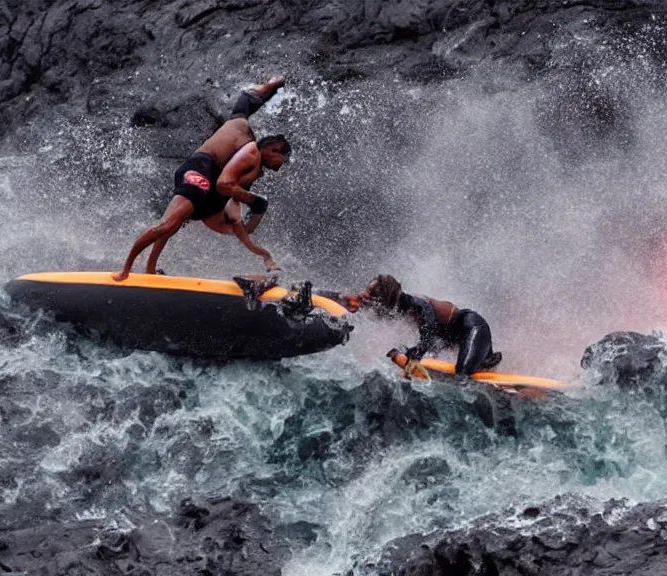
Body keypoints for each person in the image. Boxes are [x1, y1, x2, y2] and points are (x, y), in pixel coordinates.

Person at [112, 77, 292, 280]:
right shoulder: (249, 147)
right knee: (168, 224)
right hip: (200, 168)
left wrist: (272, 87)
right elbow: (226, 185)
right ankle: (125, 270)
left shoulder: (249, 161)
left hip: (211, 186)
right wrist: (254, 201)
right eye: (282, 159)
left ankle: (150, 269)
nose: (280, 167)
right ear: (273, 148)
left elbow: (245, 102)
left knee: (175, 225)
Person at [330, 275, 502, 376]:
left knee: (463, 372)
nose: (365, 299)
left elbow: (426, 340)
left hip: (472, 327)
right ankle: (483, 364)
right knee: (461, 366)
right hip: (450, 340)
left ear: (383, 300)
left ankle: (484, 363)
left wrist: (406, 358)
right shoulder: (391, 306)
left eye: (369, 297)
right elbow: (349, 301)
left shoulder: (419, 306)